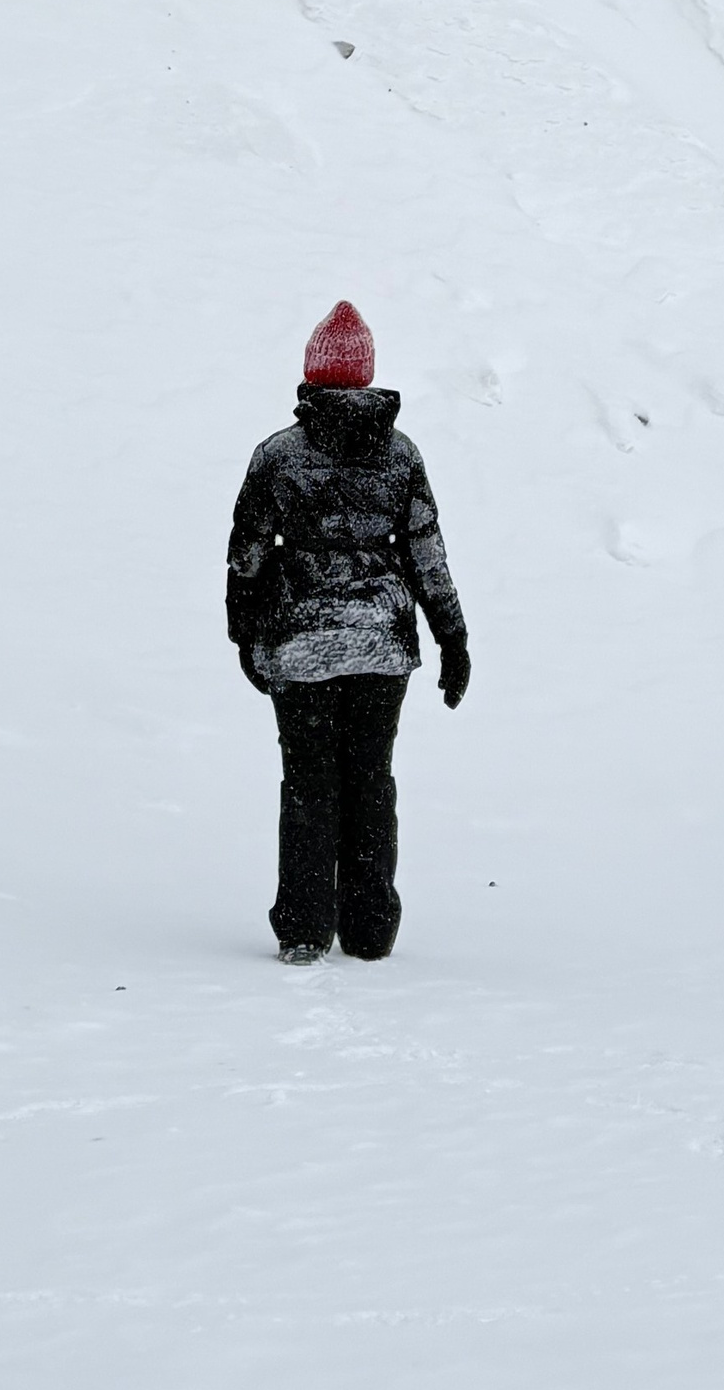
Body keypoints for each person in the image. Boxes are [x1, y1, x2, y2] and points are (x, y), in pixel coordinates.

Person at [226, 301, 470, 964]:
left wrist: (242, 631)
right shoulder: (401, 455)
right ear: (365, 377)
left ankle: (305, 927)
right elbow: (426, 552)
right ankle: (368, 929)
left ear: (311, 372)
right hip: (381, 646)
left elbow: (247, 553)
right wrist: (452, 636)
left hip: (300, 644)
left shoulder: (277, 456)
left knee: (309, 783)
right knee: (371, 778)